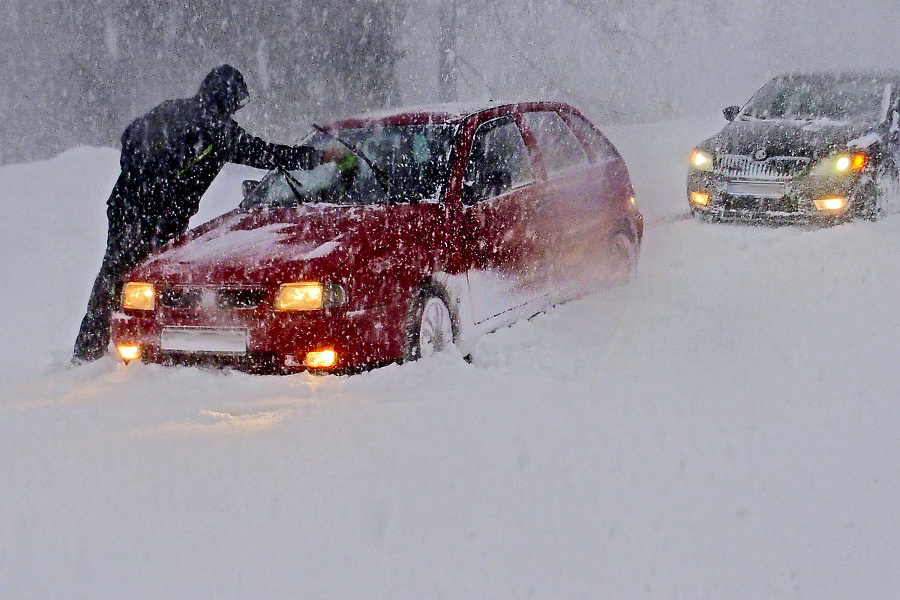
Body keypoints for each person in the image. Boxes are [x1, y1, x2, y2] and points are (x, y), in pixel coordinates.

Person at [73, 64, 343, 363]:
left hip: (126, 205)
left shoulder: (171, 110)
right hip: (161, 214)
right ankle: (161, 348)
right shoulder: (219, 129)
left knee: (116, 275)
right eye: (237, 103)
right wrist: (318, 156)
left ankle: (92, 349)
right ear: (230, 99)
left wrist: (140, 176)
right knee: (157, 279)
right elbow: (267, 154)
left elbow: (130, 137)